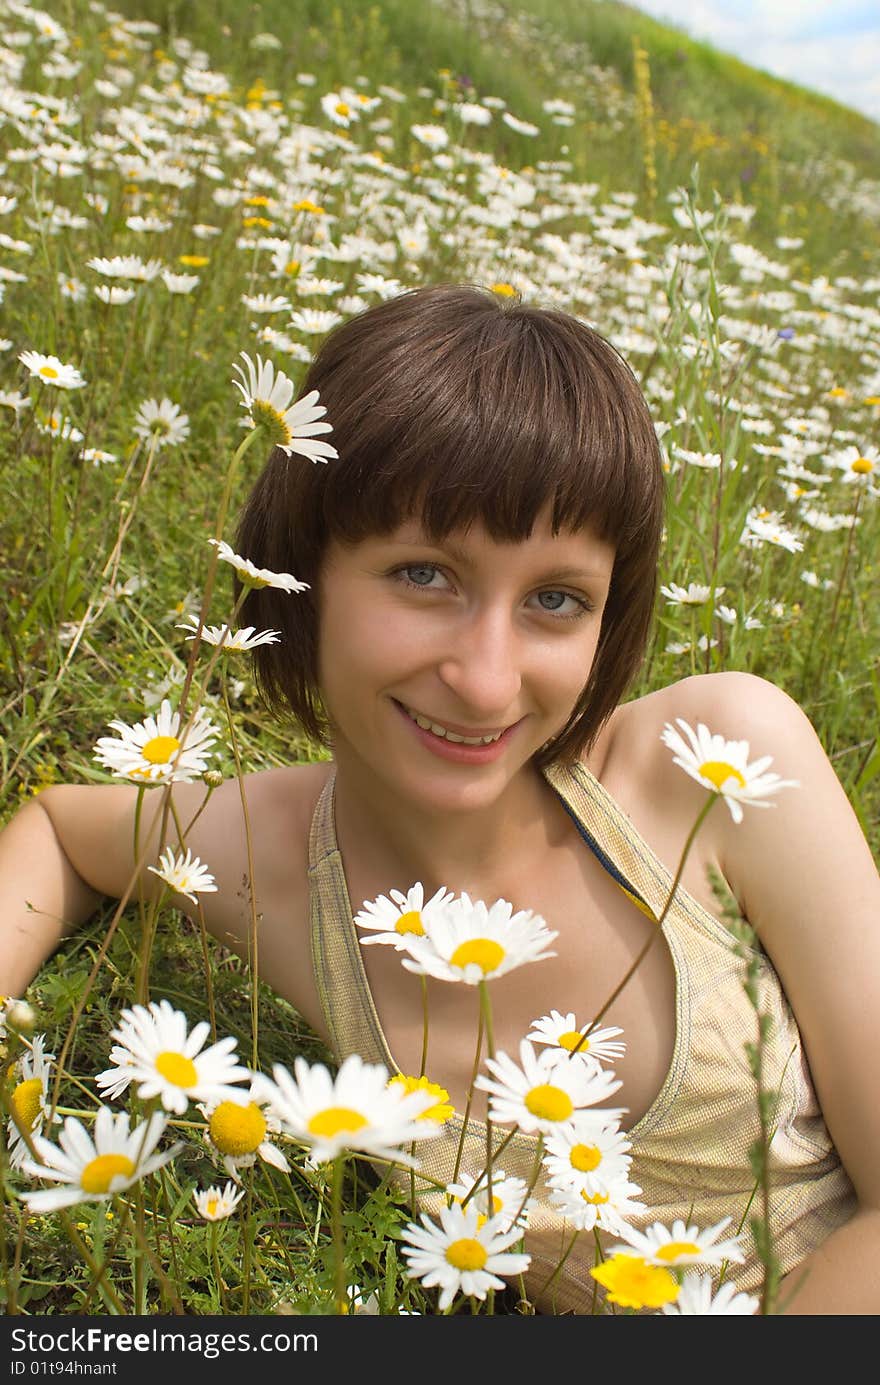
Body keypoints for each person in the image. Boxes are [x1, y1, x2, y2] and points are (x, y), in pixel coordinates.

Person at [2, 284, 878, 1314]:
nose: (488, 677)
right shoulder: (268, 852)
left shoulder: (714, 767)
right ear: (305, 576)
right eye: (425, 574)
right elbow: (64, 828)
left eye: (557, 598)